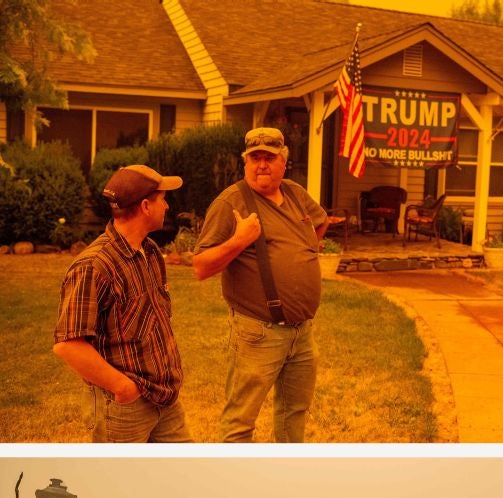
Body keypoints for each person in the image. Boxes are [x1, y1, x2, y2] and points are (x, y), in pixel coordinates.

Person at [193, 127, 328, 442]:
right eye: (255, 158)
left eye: (270, 157)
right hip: (258, 332)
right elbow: (200, 266)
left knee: (293, 412)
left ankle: (286, 477)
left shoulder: (295, 193)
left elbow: (320, 223)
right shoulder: (232, 201)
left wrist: (303, 251)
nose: (262, 165)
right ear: (245, 162)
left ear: (284, 162)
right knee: (240, 420)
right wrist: (239, 242)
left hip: (302, 331)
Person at [54, 164, 191, 442]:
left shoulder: (150, 252)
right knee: (119, 483)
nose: (166, 206)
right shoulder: (95, 266)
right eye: (162, 199)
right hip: (124, 407)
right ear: (145, 206)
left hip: (164, 398)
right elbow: (68, 344)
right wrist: (123, 388)